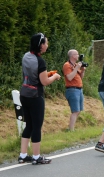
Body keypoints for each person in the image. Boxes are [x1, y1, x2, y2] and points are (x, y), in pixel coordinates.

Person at [18, 33, 61, 164]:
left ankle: (23, 155)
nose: (47, 45)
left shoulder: (26, 56)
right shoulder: (40, 61)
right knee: (37, 126)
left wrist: (47, 74)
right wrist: (55, 77)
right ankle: (36, 157)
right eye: (46, 43)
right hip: (35, 96)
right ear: (41, 45)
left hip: (24, 93)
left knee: (29, 124)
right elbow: (44, 82)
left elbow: (32, 75)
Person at [63, 50, 86, 131]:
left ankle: (71, 128)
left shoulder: (76, 65)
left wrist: (83, 70)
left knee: (78, 110)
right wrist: (76, 68)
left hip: (79, 89)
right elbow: (69, 77)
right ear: (72, 56)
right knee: (75, 110)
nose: (78, 55)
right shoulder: (67, 65)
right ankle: (71, 129)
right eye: (77, 54)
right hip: (72, 89)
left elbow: (80, 77)